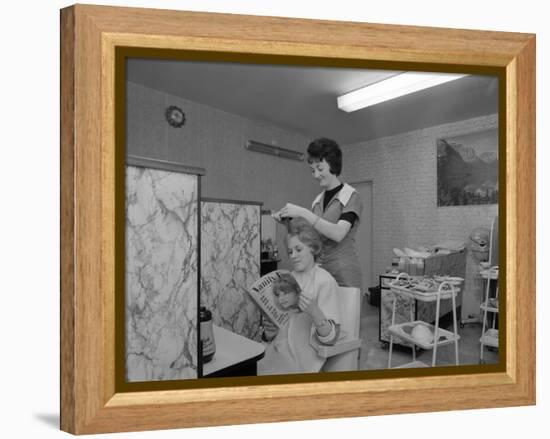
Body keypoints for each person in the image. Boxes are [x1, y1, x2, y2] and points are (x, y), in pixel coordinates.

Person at [273, 138, 363, 290]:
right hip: (320, 269)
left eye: (320, 169)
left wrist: (303, 212)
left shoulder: (351, 196)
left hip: (344, 270)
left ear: (333, 165)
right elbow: (312, 235)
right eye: (313, 170)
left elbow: (338, 233)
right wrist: (287, 222)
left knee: (343, 313)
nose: (315, 175)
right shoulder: (317, 201)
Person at [257, 219, 342, 375]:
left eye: (298, 249)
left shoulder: (325, 281)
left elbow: (331, 339)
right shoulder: (287, 278)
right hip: (275, 350)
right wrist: (269, 331)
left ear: (313, 248)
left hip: (301, 358)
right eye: (290, 252)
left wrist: (315, 311)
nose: (293, 256)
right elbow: (279, 327)